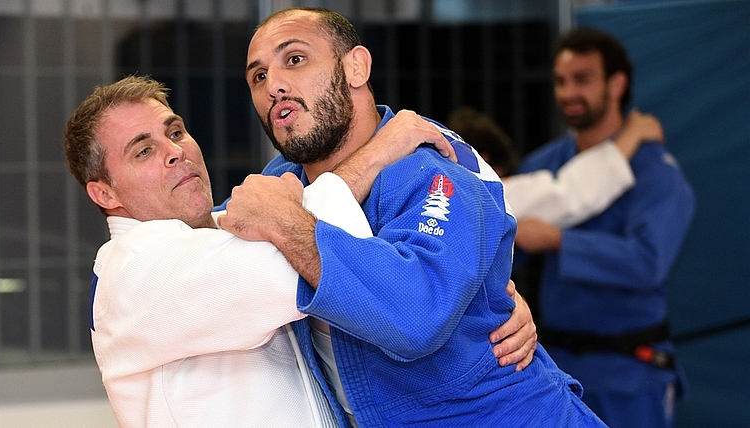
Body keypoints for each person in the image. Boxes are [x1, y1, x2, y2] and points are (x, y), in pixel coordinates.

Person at [64, 75, 536, 427]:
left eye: (176, 131)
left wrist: (485, 295)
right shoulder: (131, 275)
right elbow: (298, 249)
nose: (175, 151)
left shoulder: (222, 230)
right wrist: (380, 151)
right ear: (105, 193)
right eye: (142, 151)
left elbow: (359, 258)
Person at [217, 7, 606, 427]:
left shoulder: (433, 168)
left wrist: (287, 224)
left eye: (294, 59)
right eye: (258, 77)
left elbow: (417, 311)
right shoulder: (279, 182)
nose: (273, 85)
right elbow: (202, 254)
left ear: (356, 67)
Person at [513, 27, 695, 428]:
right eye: (561, 81)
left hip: (628, 374)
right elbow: (508, 248)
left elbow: (647, 262)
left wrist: (560, 241)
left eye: (582, 79)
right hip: (555, 369)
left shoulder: (656, 173)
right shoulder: (542, 166)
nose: (568, 92)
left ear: (617, 84)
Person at [446, 105, 666, 229]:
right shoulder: (484, 195)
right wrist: (632, 135)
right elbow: (569, 194)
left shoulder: (427, 183)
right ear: (483, 160)